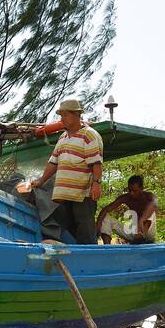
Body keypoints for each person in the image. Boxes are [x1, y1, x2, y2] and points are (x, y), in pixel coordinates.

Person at [25, 99, 103, 244]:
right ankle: (74, 258)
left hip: (82, 194)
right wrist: (41, 181)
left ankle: (88, 259)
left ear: (76, 115)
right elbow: (53, 163)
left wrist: (97, 184)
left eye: (65, 115)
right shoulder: (63, 137)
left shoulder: (89, 135)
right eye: (61, 116)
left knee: (85, 228)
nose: (62, 119)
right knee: (67, 227)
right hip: (64, 194)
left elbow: (96, 163)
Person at [96, 175, 158, 244]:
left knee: (151, 211)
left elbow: (154, 204)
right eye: (129, 190)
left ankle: (141, 238)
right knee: (106, 218)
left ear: (141, 188)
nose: (131, 193)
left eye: (134, 191)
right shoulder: (126, 198)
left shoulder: (149, 196)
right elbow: (105, 209)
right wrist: (98, 226)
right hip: (134, 234)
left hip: (148, 233)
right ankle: (107, 248)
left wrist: (142, 220)